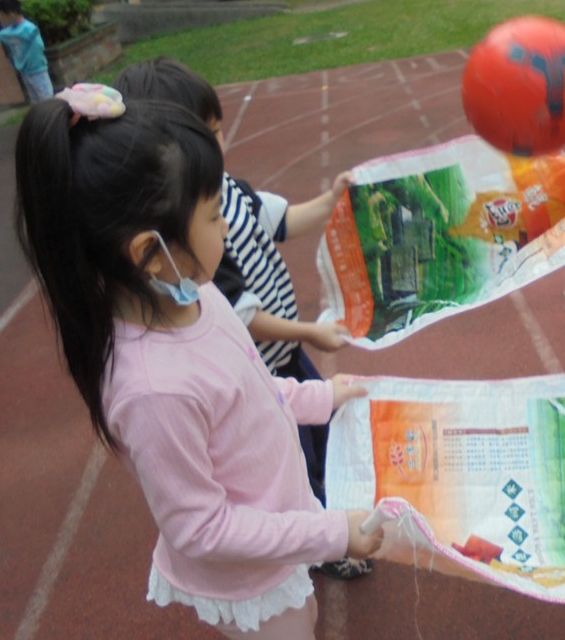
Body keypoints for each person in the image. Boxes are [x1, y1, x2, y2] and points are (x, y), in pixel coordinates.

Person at [13, 83, 397, 640]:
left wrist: (322, 398)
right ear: (150, 253)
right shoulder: (153, 390)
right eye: (215, 216)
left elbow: (255, 392)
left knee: (301, 634)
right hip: (248, 576)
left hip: (278, 534)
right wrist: (332, 533)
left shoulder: (200, 295)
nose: (227, 229)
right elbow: (202, 530)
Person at [114, 58, 372, 580]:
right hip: (264, 364)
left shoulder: (226, 193)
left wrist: (332, 200)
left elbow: (284, 220)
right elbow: (244, 315)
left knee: (319, 431)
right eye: (204, 135)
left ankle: (328, 516)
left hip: (280, 363)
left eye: (217, 130)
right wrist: (310, 331)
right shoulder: (192, 244)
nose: (218, 145)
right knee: (293, 457)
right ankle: (320, 543)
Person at [0, 0, 53, 103]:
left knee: (48, 103)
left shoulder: (29, 28)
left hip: (37, 71)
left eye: (3, 15)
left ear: (11, 14)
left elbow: (26, 34)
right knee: (36, 104)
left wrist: (10, 35)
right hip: (25, 72)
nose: (2, 19)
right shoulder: (12, 30)